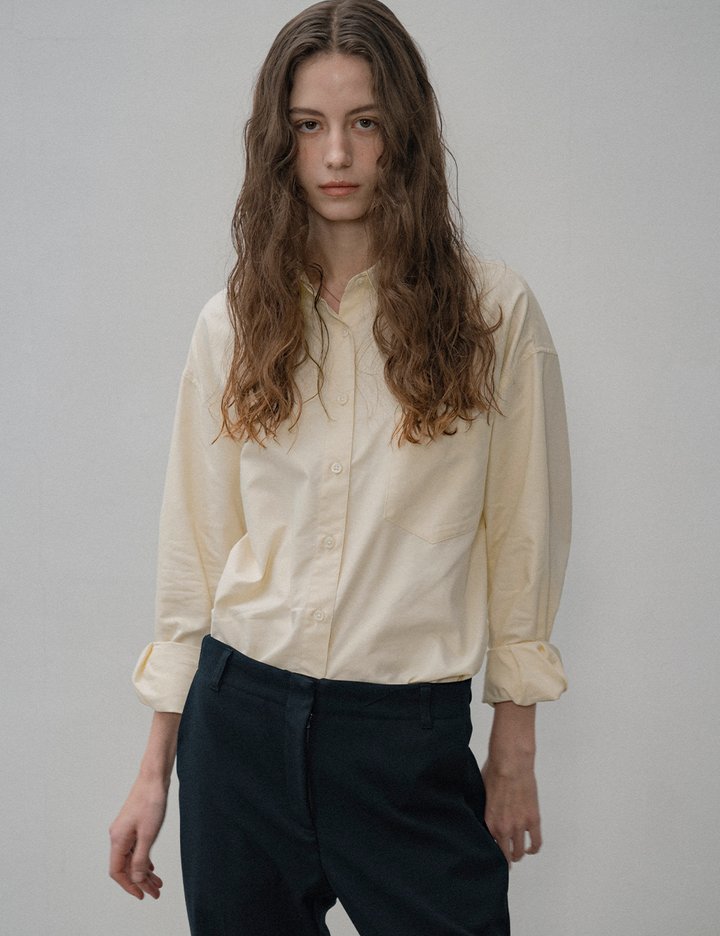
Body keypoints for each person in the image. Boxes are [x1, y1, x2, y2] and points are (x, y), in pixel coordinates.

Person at [108, 1, 571, 933]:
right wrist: (154, 769)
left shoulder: (493, 315)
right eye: (309, 126)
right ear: (277, 143)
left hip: (404, 741)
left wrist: (514, 743)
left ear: (406, 132)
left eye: (365, 122)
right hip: (238, 727)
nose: (337, 156)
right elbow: (195, 555)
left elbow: (524, 532)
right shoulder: (233, 323)